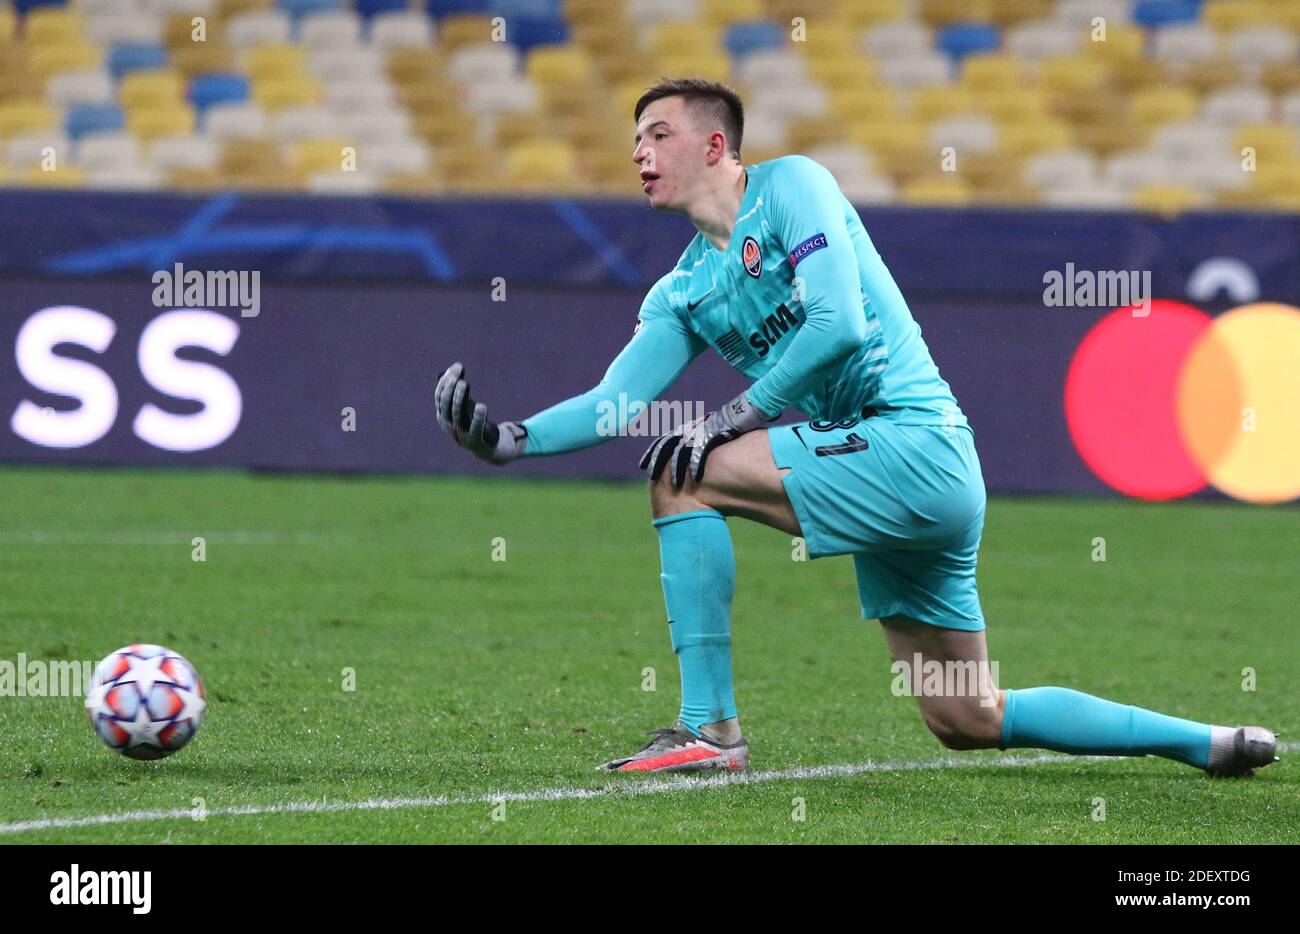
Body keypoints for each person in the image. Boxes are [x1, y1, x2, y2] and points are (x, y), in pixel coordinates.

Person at [435, 77, 1278, 778]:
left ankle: (711, 732)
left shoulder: (793, 187)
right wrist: (510, 440)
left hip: (915, 443)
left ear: (716, 147)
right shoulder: (684, 287)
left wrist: (731, 417)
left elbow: (837, 325)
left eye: (657, 135)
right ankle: (1206, 743)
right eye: (635, 142)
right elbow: (616, 398)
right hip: (893, 475)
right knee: (965, 716)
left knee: (681, 476)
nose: (639, 154)